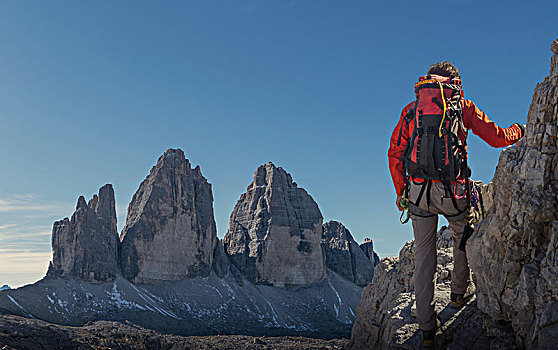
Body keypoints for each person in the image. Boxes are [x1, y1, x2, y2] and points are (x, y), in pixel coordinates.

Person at [387, 61, 524, 347]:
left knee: (424, 254)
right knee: (463, 235)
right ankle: (459, 294)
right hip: (453, 192)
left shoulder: (412, 110)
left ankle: (426, 326)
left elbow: (395, 151)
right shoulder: (463, 106)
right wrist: (518, 131)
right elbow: (497, 137)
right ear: (455, 82)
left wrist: (402, 193)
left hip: (418, 191)